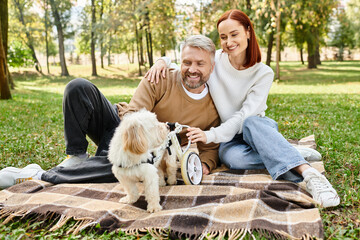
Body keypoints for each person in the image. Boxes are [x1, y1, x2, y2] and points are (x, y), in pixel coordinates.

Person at [145, 9, 340, 208]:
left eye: (234, 34)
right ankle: (286, 151)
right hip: (229, 138)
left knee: (250, 121)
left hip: (256, 129)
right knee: (234, 160)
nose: (229, 42)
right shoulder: (215, 62)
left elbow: (243, 116)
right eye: (223, 37)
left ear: (248, 31)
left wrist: (210, 135)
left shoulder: (263, 73)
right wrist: (163, 61)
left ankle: (309, 173)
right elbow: (190, 63)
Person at [0, 35, 220, 188]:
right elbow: (132, 113)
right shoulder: (161, 77)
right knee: (78, 87)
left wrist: (205, 164)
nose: (192, 69)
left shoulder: (213, 106)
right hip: (122, 126)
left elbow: (210, 147)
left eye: (200, 64)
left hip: (152, 153)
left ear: (212, 66)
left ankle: (37, 175)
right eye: (187, 62)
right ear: (179, 62)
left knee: (124, 166)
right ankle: (76, 156)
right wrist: (133, 144)